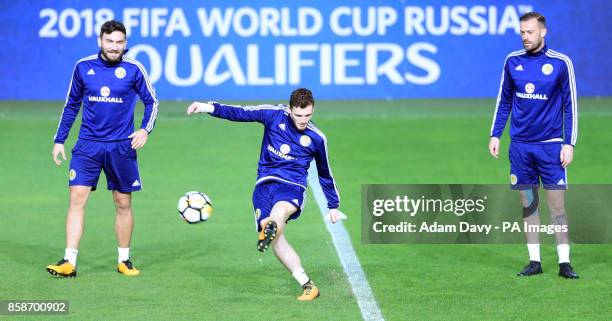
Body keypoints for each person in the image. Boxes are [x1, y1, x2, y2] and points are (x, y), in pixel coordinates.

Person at [187, 88, 342, 300]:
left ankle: (271, 225)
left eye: (308, 115)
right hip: (264, 184)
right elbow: (240, 113)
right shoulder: (273, 114)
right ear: (289, 110)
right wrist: (206, 107)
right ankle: (308, 285)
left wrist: (332, 205)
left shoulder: (316, 138)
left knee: (280, 211)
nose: (303, 120)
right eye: (299, 115)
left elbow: (325, 173)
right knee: (277, 239)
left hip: (292, 185)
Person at [46, 20, 159, 277]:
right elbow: (71, 105)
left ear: (125, 43)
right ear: (100, 41)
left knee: (122, 202)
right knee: (76, 199)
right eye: (110, 42)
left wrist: (144, 129)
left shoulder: (134, 68)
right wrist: (59, 140)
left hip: (121, 147)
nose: (114, 47)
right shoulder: (83, 67)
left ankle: (124, 260)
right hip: (88, 145)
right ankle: (69, 262)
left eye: (119, 42)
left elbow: (152, 102)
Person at [489, 12, 578, 279]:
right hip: (520, 148)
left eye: (529, 32)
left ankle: (564, 263)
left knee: (557, 206)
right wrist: (496, 134)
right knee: (529, 205)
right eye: (522, 32)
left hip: (550, 147)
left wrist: (569, 143)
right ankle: (535, 261)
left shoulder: (561, 63)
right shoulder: (512, 61)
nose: (525, 37)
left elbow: (570, 106)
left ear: (543, 32)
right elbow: (503, 100)